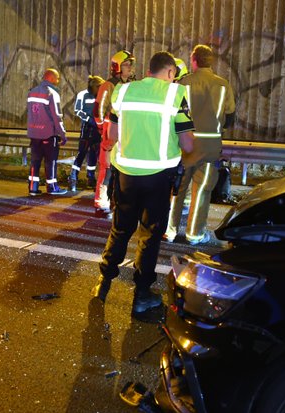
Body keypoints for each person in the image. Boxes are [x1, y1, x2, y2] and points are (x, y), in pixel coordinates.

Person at [91, 51, 195, 317]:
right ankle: (141, 296)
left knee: (120, 229)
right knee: (149, 235)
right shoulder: (176, 94)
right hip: (158, 177)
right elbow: (187, 143)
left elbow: (112, 134)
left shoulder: (123, 91)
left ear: (149, 70)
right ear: (170, 72)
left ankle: (103, 284)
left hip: (125, 174)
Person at [165, 45, 235, 245]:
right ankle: (194, 234)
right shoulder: (223, 85)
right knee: (202, 190)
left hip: (186, 144)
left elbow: (173, 114)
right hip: (211, 145)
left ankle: (169, 230)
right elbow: (230, 117)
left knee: (177, 188)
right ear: (211, 62)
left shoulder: (183, 83)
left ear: (193, 61)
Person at [92, 50, 136, 215]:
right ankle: (100, 202)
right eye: (126, 64)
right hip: (111, 132)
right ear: (117, 67)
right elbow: (98, 110)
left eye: (131, 64)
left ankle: (118, 203)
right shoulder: (108, 85)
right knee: (107, 168)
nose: (130, 67)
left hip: (127, 132)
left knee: (124, 170)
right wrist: (103, 128)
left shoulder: (132, 85)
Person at [26, 68, 68, 196]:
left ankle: (33, 187)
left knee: (35, 161)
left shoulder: (32, 92)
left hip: (34, 134)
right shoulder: (52, 94)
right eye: (57, 78)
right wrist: (63, 134)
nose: (58, 81)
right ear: (51, 78)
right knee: (51, 161)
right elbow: (56, 116)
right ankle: (52, 187)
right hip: (48, 134)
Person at [69, 75, 105, 192]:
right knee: (81, 153)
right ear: (94, 86)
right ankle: (73, 178)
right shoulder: (82, 94)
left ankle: (91, 179)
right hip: (87, 129)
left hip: (98, 129)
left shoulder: (102, 95)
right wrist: (89, 120)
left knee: (95, 155)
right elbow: (77, 110)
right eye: (99, 87)